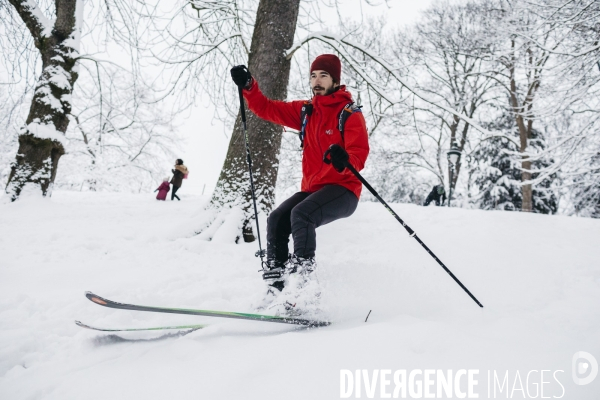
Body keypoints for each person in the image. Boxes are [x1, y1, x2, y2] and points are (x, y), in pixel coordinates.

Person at [231, 54, 369, 314]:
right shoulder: (307, 111)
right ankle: (276, 288)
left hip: (344, 190)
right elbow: (267, 108)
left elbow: (359, 153)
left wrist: (345, 159)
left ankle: (304, 288)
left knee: (301, 214)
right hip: (313, 189)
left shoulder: (348, 114)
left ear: (335, 80)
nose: (317, 81)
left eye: (323, 76)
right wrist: (249, 86)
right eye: (313, 76)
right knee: (277, 219)